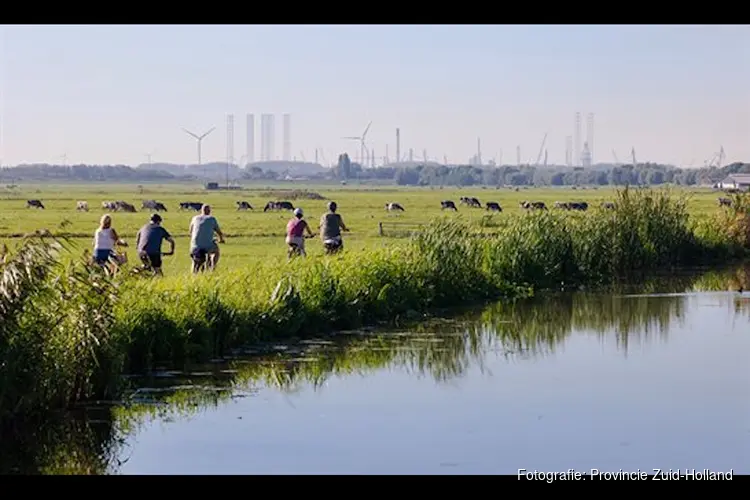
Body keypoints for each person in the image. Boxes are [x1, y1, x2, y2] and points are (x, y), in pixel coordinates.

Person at [189, 204, 225, 273]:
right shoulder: (212, 219)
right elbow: (219, 232)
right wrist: (221, 239)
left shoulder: (195, 218)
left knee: (194, 261)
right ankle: (213, 267)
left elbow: (190, 231)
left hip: (194, 245)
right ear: (209, 211)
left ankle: (193, 274)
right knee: (216, 251)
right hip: (207, 246)